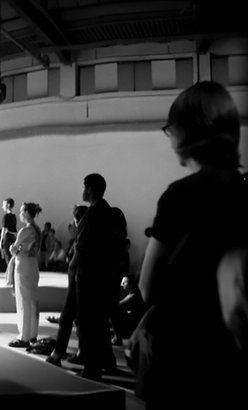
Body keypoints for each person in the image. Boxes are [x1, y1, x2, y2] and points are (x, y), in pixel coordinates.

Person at [136, 81, 248, 406]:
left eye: (171, 128)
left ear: (186, 132)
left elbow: (147, 285)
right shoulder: (244, 192)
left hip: (182, 363)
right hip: (233, 364)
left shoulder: (179, 196)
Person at [70, 173, 117, 380]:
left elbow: (83, 246)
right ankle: (107, 360)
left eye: (84, 187)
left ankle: (92, 367)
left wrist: (73, 265)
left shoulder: (92, 214)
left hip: (89, 275)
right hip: (103, 274)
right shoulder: (107, 211)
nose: (82, 191)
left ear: (89, 189)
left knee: (88, 321)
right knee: (100, 320)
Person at [46, 205, 87, 365]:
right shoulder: (84, 235)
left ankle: (59, 353)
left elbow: (76, 256)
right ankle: (82, 353)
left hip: (77, 280)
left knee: (68, 317)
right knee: (80, 319)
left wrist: (71, 265)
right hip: (81, 279)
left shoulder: (82, 235)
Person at [7, 203, 42, 348]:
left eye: (22, 211)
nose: (20, 213)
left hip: (23, 265)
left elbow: (14, 249)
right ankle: (32, 334)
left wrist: (11, 248)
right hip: (33, 264)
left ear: (27, 213)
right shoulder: (37, 229)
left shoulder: (25, 230)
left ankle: (24, 336)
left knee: (23, 301)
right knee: (32, 300)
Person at [0, 198, 17, 264]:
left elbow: (4, 229)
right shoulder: (14, 216)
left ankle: (10, 272)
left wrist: (1, 240)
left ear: (8, 205)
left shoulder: (6, 216)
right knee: (12, 256)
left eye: (4, 204)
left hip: (8, 237)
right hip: (13, 237)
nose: (2, 206)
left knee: (8, 256)